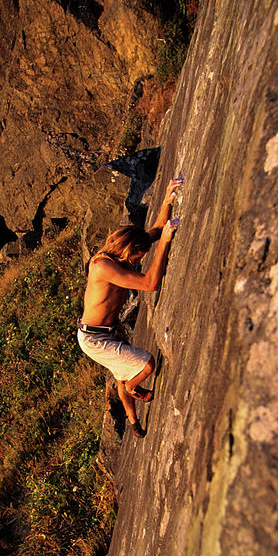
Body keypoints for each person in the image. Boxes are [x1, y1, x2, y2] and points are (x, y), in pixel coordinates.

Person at [77, 179, 182, 436]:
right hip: (94, 338)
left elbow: (156, 230)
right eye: (139, 256)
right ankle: (135, 389)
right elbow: (150, 283)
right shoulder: (103, 266)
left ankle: (133, 422)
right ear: (129, 250)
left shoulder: (118, 254)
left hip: (103, 332)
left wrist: (167, 200)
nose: (140, 260)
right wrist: (165, 243)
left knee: (121, 376)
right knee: (145, 366)